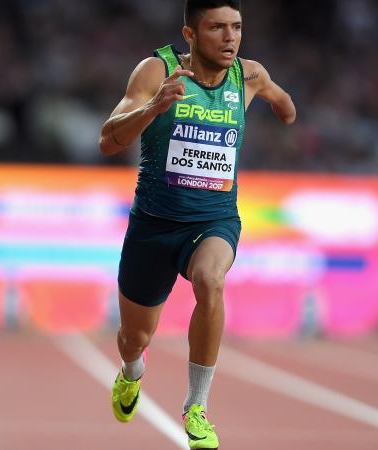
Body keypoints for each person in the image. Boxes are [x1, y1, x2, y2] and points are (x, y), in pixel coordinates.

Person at [98, 0, 295, 448]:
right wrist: (153, 107)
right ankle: (131, 373)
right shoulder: (154, 71)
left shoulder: (250, 75)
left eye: (237, 27)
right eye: (216, 28)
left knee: (210, 279)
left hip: (214, 219)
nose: (230, 38)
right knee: (134, 338)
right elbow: (108, 140)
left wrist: (282, 109)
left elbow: (285, 105)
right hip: (153, 224)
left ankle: (197, 407)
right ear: (190, 35)